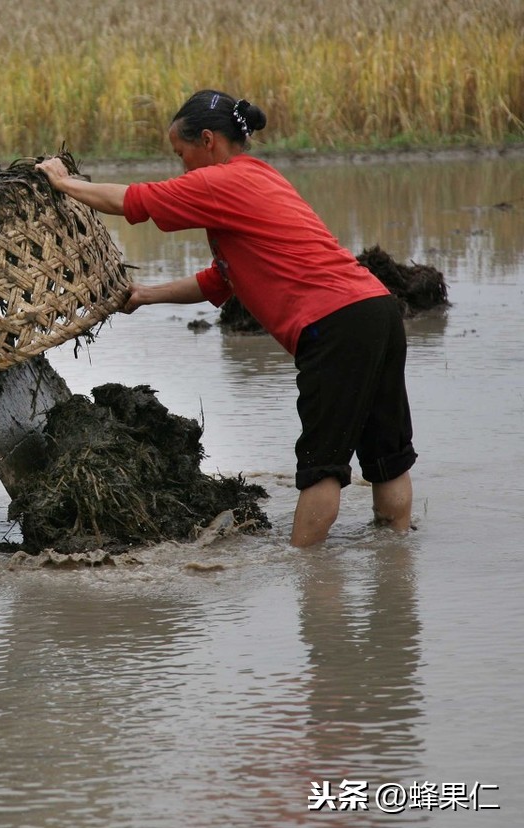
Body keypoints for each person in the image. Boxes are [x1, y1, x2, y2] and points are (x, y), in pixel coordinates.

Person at [36, 89, 416, 547]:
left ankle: (307, 580)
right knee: (387, 457)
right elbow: (221, 279)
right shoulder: (261, 178)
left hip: (333, 324)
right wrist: (146, 295)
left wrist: (64, 184)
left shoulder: (222, 181)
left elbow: (135, 201)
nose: (181, 167)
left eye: (181, 154)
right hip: (376, 311)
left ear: (209, 141)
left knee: (323, 467)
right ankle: (396, 564)